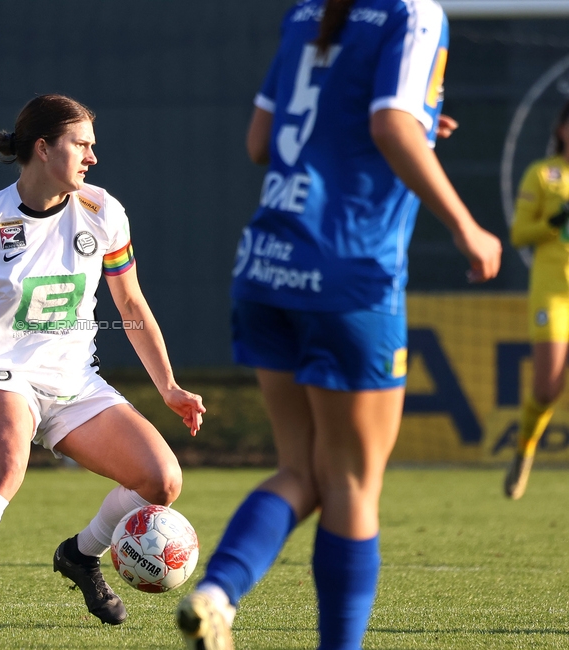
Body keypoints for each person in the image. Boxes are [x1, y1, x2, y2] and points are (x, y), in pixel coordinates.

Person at [175, 2, 502, 649]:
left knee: (303, 470)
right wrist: (468, 227)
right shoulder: (414, 13)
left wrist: (412, 126)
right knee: (353, 482)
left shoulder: (308, 12)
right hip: (348, 273)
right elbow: (390, 127)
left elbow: (261, 143)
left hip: (268, 264)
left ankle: (217, 592)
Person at [0, 93, 205, 629]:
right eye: (82, 144)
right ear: (43, 148)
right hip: (1, 372)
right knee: (8, 462)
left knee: (162, 482)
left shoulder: (103, 211)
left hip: (75, 382)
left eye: (92, 146)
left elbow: (130, 305)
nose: (92, 157)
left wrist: (169, 387)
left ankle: (80, 556)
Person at [504, 100, 569, 500]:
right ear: (561, 129)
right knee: (546, 388)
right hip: (553, 291)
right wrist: (558, 220)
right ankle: (525, 448)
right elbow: (519, 235)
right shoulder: (543, 174)